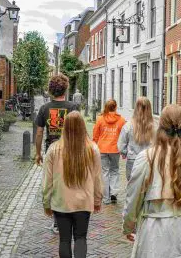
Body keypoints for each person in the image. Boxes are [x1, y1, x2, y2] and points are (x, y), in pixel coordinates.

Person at [123, 105, 181, 258]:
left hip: (156, 226)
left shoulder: (147, 157)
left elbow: (133, 195)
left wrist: (128, 225)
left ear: (160, 126)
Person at [42, 111, 103, 258]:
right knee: (81, 238)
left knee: (64, 240)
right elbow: (97, 178)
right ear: (83, 127)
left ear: (65, 127)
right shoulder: (92, 149)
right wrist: (97, 199)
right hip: (83, 202)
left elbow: (47, 181)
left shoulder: (54, 149)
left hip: (61, 202)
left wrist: (46, 203)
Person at [36, 74, 78, 233]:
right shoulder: (73, 107)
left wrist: (38, 153)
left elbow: (39, 133)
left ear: (51, 90)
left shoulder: (44, 108)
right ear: (66, 89)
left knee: (53, 186)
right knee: (70, 183)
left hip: (51, 152)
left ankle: (57, 222)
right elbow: (77, 131)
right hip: (70, 151)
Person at [93, 99, 126, 204]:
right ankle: (114, 193)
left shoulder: (100, 119)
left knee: (105, 172)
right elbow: (123, 136)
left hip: (102, 149)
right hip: (115, 149)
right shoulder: (121, 120)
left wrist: (94, 145)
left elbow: (95, 135)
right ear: (115, 107)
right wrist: (123, 148)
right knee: (115, 170)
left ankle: (106, 198)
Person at [117, 97, 155, 181]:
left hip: (133, 160)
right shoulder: (155, 127)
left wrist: (126, 153)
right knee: (147, 189)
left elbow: (120, 146)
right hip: (149, 160)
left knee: (132, 190)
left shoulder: (128, 125)